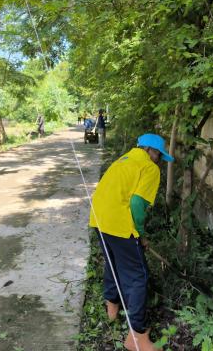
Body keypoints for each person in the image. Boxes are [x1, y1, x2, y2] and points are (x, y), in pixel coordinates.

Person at [89, 134, 174, 351]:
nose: (158, 160)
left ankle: (112, 306)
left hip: (99, 219)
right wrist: (140, 235)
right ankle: (136, 336)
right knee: (138, 276)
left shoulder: (124, 160)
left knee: (113, 262)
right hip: (120, 224)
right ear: (148, 150)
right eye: (158, 154)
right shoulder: (149, 168)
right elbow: (137, 205)